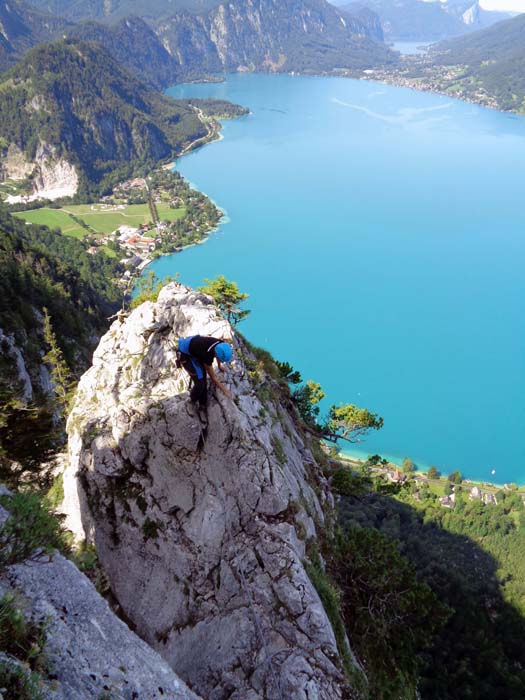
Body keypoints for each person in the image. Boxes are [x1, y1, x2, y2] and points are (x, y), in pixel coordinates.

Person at [177, 335, 233, 414]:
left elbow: (218, 355)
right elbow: (214, 378)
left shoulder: (221, 344)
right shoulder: (207, 355)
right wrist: (225, 390)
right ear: (216, 354)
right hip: (185, 354)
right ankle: (191, 400)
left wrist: (220, 366)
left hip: (195, 349)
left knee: (203, 379)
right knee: (200, 382)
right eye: (221, 360)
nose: (221, 361)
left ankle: (202, 404)